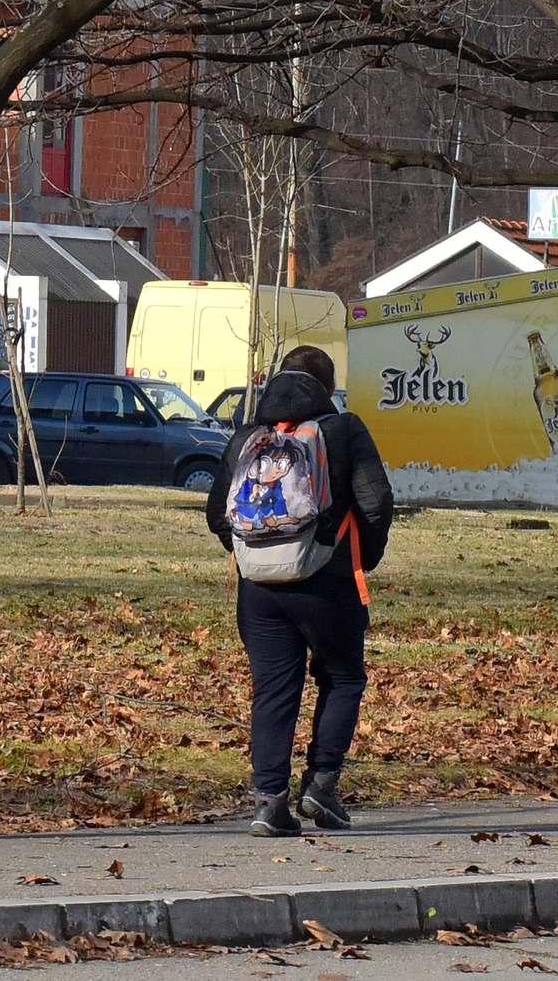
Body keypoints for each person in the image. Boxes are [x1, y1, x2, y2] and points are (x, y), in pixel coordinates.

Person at [206, 345, 394, 836]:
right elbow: (376, 502)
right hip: (327, 582)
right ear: (328, 389)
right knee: (343, 677)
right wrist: (355, 556)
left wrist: (254, 553)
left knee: (272, 691)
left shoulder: (248, 435)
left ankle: (269, 804)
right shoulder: (343, 430)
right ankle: (321, 788)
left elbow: (216, 513)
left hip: (258, 590)